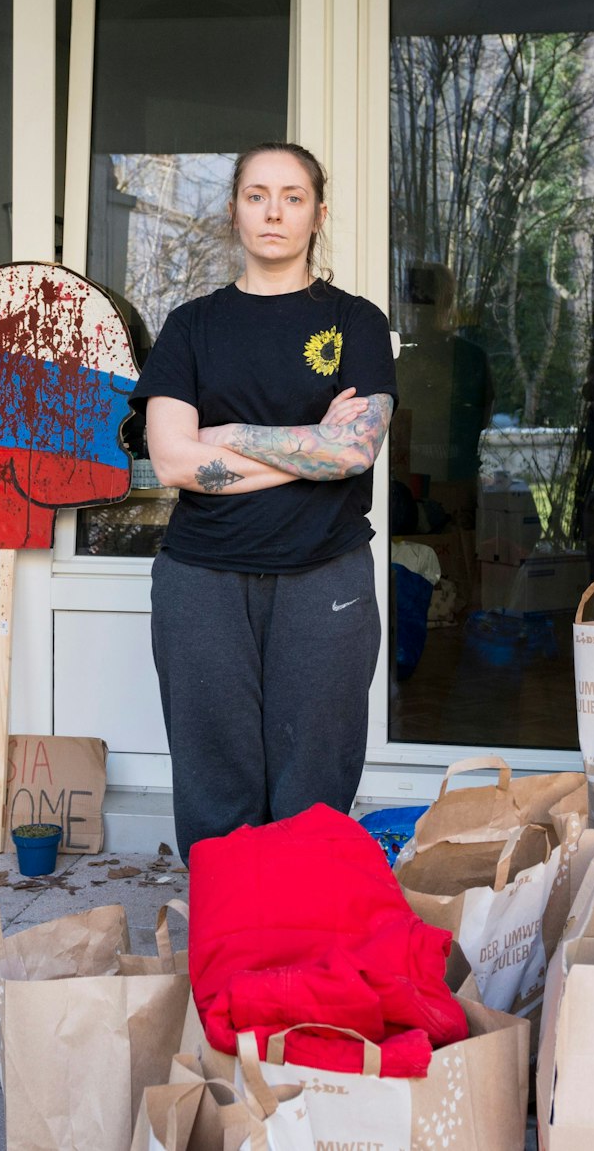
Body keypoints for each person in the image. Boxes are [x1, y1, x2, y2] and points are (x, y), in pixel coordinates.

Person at [128, 142, 398, 860]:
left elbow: (355, 450)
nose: (274, 210)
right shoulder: (191, 327)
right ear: (234, 211)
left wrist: (235, 437)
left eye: (292, 195)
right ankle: (230, 954)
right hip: (202, 582)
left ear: (318, 213)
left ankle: (301, 953)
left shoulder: (357, 323)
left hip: (324, 578)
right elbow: (173, 460)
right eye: (256, 195)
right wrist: (312, 447)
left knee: (314, 784)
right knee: (216, 786)